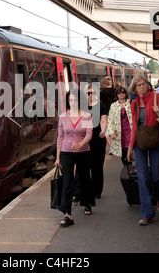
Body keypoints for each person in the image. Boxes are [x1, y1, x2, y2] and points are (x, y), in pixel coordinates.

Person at [127, 76, 159, 226]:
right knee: (142, 177)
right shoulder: (134, 104)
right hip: (140, 142)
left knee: (156, 176)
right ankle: (147, 213)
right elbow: (134, 127)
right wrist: (130, 148)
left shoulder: (157, 98)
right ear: (134, 89)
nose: (143, 87)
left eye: (144, 84)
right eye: (139, 85)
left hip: (156, 140)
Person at [54, 90, 95, 227]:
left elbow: (89, 134)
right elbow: (60, 137)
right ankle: (67, 214)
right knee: (67, 181)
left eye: (75, 100)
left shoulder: (86, 116)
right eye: (70, 100)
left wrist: (81, 144)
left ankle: (87, 203)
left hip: (83, 151)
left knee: (84, 178)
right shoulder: (63, 117)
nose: (73, 103)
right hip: (66, 152)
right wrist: (58, 157)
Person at [86, 83, 108, 199]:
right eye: (88, 93)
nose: (90, 95)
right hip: (84, 140)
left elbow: (103, 120)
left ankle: (97, 191)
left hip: (97, 139)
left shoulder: (102, 106)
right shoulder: (82, 106)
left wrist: (103, 131)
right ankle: (80, 191)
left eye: (92, 93)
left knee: (97, 166)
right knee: (83, 166)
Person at [106, 86, 132, 167]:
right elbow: (110, 120)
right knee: (123, 152)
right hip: (119, 132)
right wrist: (111, 132)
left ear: (126, 94)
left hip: (130, 131)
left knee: (130, 150)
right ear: (116, 95)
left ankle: (130, 167)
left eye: (123, 92)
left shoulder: (131, 103)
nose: (121, 94)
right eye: (119, 93)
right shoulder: (113, 105)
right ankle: (126, 168)